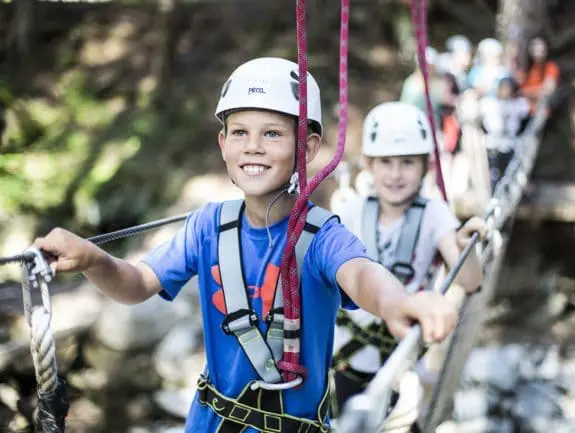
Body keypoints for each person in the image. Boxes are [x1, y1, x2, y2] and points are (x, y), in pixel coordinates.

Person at [32, 58, 460, 433]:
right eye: (239, 132)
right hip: (209, 424)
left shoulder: (322, 236)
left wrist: (399, 303)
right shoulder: (207, 226)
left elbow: (363, 275)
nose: (253, 145)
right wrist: (93, 258)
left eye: (272, 133)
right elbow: (136, 283)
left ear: (307, 147)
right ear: (223, 145)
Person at [331, 101, 487, 420]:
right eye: (386, 162)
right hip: (347, 357)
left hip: (401, 361)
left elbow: (470, 282)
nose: (396, 174)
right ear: (369, 165)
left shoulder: (434, 214)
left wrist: (464, 247)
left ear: (425, 167)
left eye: (407, 163)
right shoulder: (351, 211)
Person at [479, 76, 530, 191]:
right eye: (503, 88)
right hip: (493, 143)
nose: (505, 91)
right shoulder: (489, 103)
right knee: (493, 172)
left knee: (509, 171)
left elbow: (525, 115)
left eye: (508, 88)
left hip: (510, 143)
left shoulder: (518, 104)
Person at [518, 35, 560, 114]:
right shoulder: (526, 67)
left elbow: (548, 90)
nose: (537, 49)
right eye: (534, 45)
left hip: (539, 109)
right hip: (522, 108)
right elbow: (519, 89)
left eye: (540, 45)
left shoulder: (551, 67)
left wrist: (527, 92)